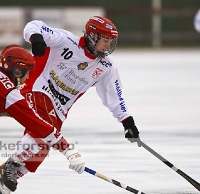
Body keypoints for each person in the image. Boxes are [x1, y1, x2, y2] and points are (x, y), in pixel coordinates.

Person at [1, 16, 141, 193]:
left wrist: (126, 120)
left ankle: (4, 180)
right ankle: (13, 165)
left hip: (59, 110)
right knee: (44, 132)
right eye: (105, 40)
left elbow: (113, 94)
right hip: (37, 90)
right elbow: (35, 25)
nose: (107, 46)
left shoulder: (106, 66)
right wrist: (35, 36)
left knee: (41, 152)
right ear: (92, 36)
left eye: (110, 41)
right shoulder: (66, 41)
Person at [0, 45, 85, 194]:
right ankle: (12, 167)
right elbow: (38, 125)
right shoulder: (9, 93)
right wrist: (69, 151)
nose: (27, 78)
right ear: (17, 71)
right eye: (27, 73)